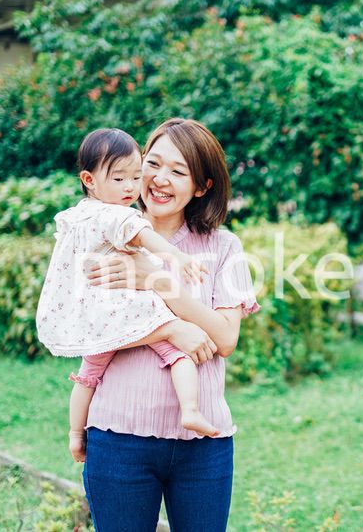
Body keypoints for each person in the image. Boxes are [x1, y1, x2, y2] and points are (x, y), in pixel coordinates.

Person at [79, 118, 259, 531]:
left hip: (204, 447)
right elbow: (88, 327)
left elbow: (225, 338)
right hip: (119, 438)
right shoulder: (105, 237)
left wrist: (156, 281)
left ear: (202, 187)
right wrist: (171, 330)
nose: (160, 180)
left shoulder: (223, 247)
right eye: (153, 164)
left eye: (178, 171)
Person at [36, 128, 221, 453]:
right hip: (128, 309)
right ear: (89, 180)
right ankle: (191, 410)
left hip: (96, 314)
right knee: (177, 352)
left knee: (88, 375)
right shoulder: (117, 215)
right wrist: (176, 256)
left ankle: (75, 434)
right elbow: (144, 237)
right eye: (120, 179)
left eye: (135, 177)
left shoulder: (75, 216)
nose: (130, 187)